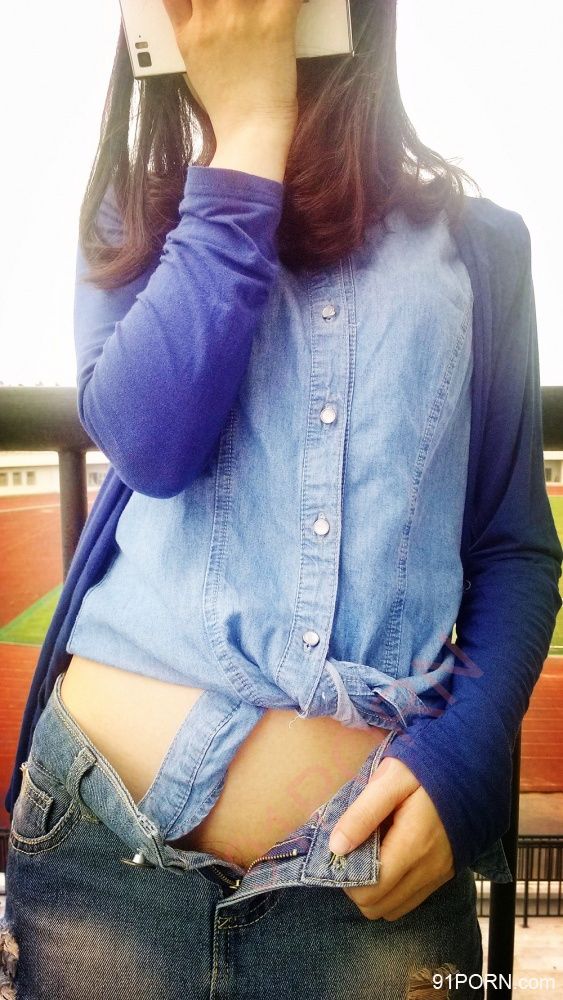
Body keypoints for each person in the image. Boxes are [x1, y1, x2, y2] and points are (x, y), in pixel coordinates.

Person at [2, 1, 561, 997]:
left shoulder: (480, 248)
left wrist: (461, 765)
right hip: (99, 859)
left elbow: (512, 548)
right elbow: (151, 445)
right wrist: (248, 139)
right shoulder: (134, 216)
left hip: (365, 886)